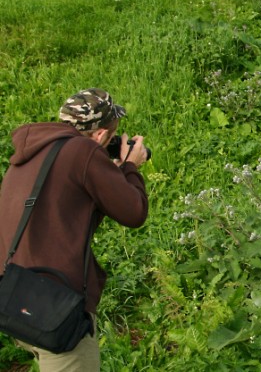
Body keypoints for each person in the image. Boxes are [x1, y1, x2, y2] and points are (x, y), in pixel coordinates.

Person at [0, 88, 149, 371]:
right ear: (99, 135)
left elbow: (66, 217)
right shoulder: (83, 151)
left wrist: (107, 175)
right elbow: (134, 212)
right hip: (56, 307)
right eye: (112, 133)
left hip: (18, 295)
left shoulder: (34, 152)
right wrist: (130, 166)